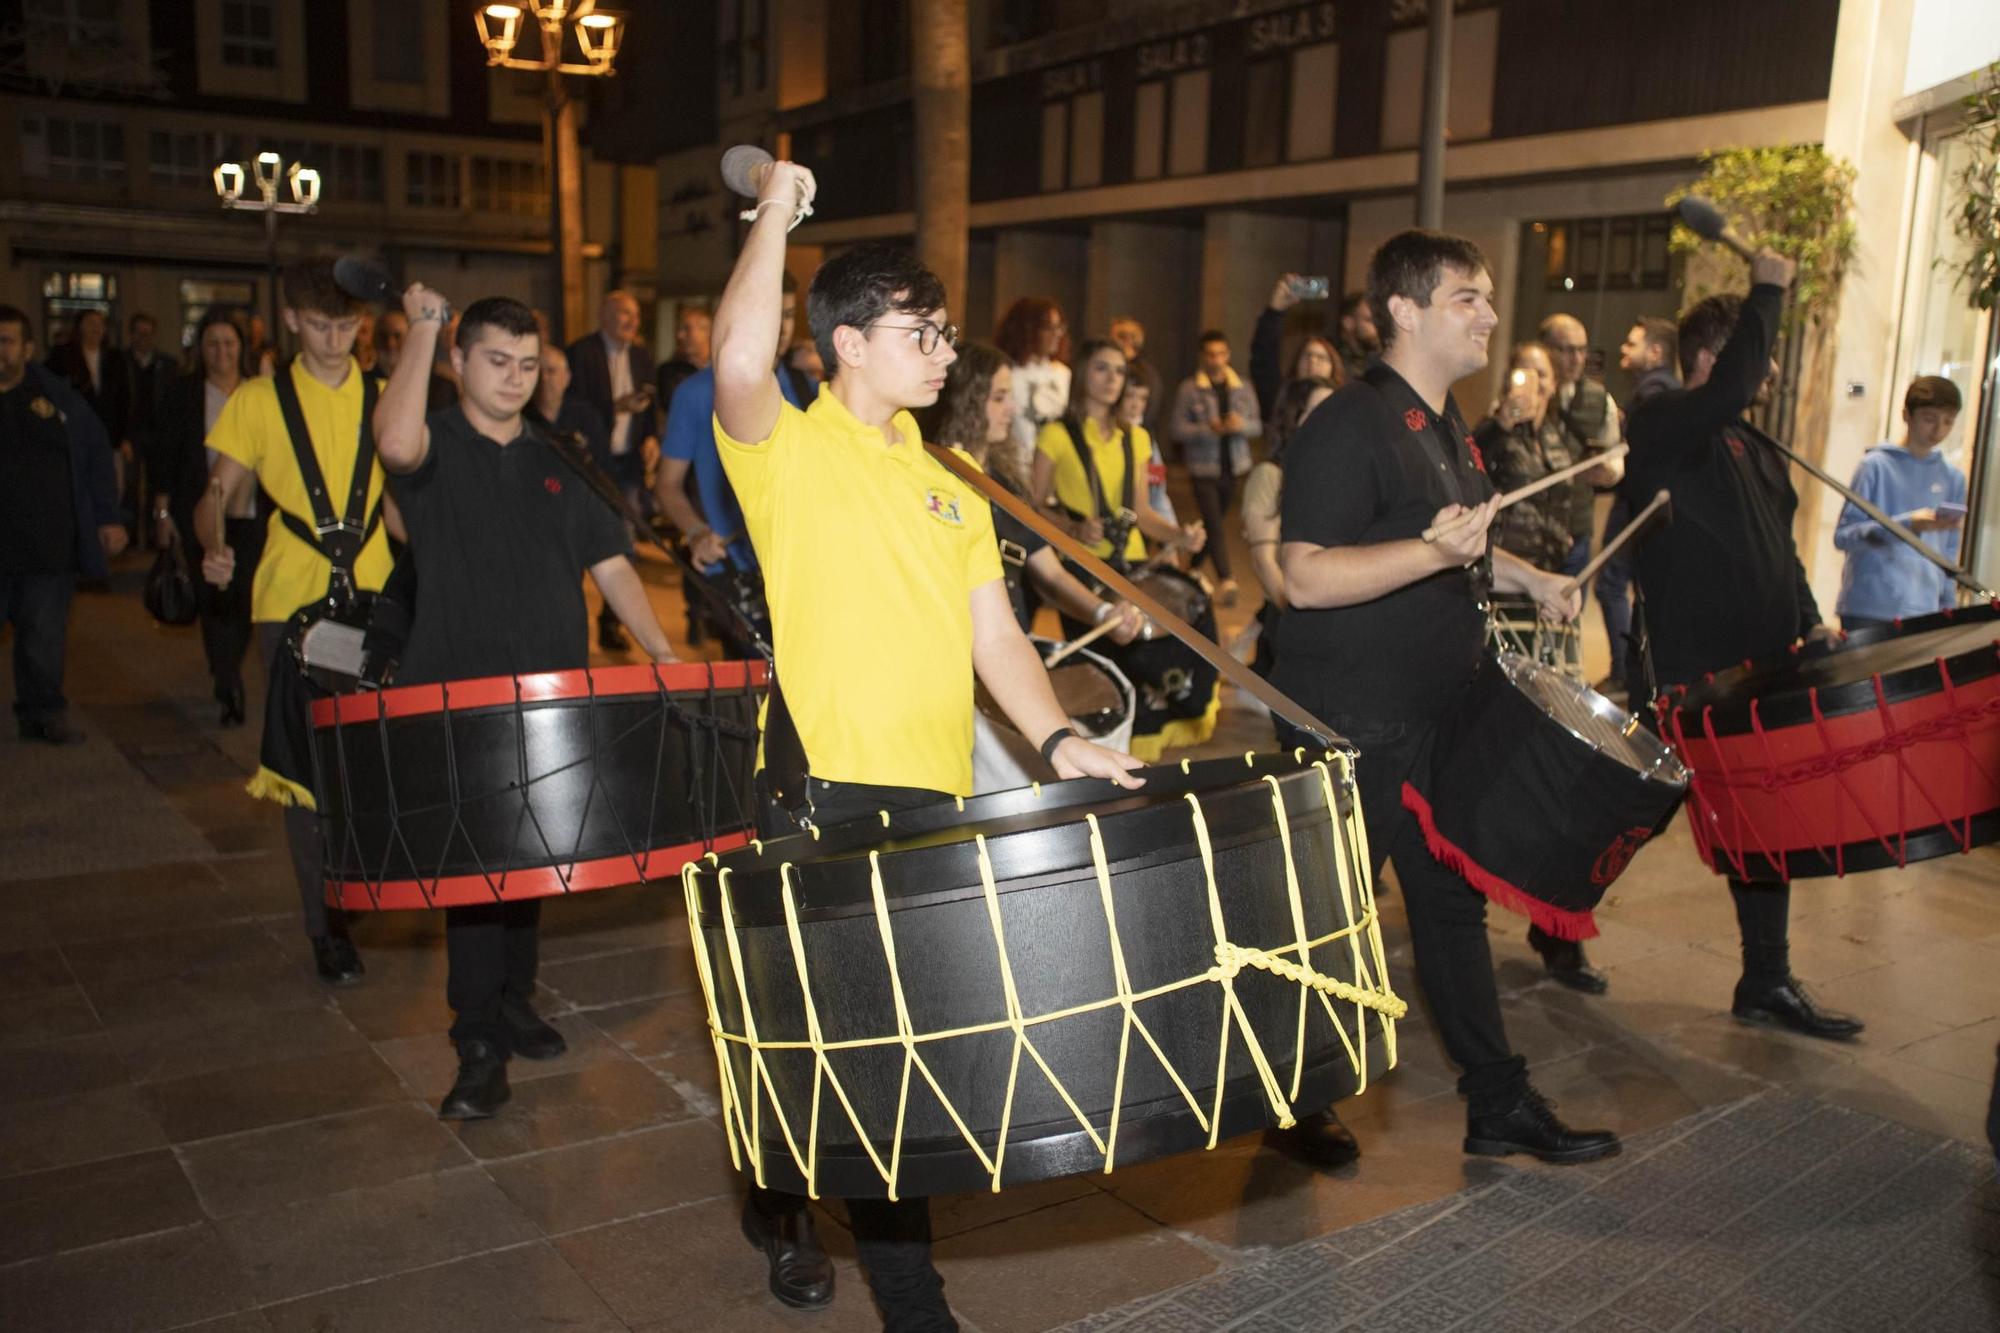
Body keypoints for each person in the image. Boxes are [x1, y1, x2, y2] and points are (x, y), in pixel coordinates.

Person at [713, 160, 1143, 1332]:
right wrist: (777, 214)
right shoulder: (787, 450)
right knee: (825, 1045)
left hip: (928, 796)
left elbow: (993, 636)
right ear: (848, 342)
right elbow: (739, 362)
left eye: (947, 332)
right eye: (922, 331)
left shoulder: (950, 484)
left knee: (891, 1051)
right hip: (820, 791)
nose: (945, 351)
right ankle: (850, 1254)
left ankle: (837, 1236)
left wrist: (1059, 738)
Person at [1275, 229, 1616, 1166]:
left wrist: (1528, 574)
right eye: (1469, 297)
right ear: (1405, 310)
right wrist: (1437, 553)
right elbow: (1302, 575)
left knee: (1452, 899)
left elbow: (1452, 535)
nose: (1491, 317)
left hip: (1434, 707)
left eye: (1488, 298)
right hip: (1349, 714)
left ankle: (1497, 1099)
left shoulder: (1448, 424)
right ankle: (1291, 1094)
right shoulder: (1348, 424)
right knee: (1330, 916)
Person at [373, 286, 678, 1120]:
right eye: (496, 362)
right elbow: (394, 439)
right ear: (459, 364)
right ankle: (475, 1040)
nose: (514, 378)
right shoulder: (432, 445)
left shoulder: (561, 458)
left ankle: (512, 998)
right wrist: (426, 324)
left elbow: (613, 564)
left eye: (527, 364)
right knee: (477, 873)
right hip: (453, 696)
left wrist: (662, 652)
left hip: (549, 698)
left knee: (531, 860)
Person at [1623, 251, 1864, 1041]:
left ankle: (1765, 977)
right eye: (1750, 361)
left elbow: (1778, 545)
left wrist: (1810, 615)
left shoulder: (1752, 445)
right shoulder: (1664, 424)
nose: (1759, 381)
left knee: (1766, 824)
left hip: (1758, 672)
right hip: (1689, 678)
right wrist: (1769, 288)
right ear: (1708, 359)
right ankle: (1555, 924)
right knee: (1630, 809)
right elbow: (1728, 388)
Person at [195, 258, 393, 989]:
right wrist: (214, 543)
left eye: (347, 324)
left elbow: (404, 506)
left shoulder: (382, 396)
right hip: (289, 603)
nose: (336, 339)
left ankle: (353, 882)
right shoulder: (257, 399)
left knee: (369, 762)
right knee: (305, 774)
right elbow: (217, 489)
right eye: (320, 324)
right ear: (289, 321)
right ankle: (324, 924)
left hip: (375, 600)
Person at [1472, 343, 1614, 993]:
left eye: (1545, 377)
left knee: (1568, 769)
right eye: (1524, 376)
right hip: (1498, 601)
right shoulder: (1486, 435)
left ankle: (1558, 933)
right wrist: (1497, 426)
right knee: (1493, 761)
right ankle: (1462, 902)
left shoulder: (1564, 434)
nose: (1533, 388)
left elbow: (1606, 477)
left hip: (1554, 602)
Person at [927, 341, 1144, 641]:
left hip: (1012, 641)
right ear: (967, 403)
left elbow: (1051, 573)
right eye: (999, 398)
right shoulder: (934, 482)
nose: (1012, 409)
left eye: (1011, 397)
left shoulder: (1005, 485)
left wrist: (1103, 613)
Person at [653, 273, 810, 656]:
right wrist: (695, 532)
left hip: (803, 570)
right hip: (737, 575)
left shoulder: (810, 388)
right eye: (773, 312)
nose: (783, 326)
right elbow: (667, 484)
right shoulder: (695, 393)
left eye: (789, 313)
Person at [0, 304, 125, 744]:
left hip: (46, 547)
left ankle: (43, 713)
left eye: (7, 341)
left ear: (28, 347)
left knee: (43, 639)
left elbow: (96, 455)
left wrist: (108, 517)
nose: (0, 351)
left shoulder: (58, 399)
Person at [152, 309, 259, 727]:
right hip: (202, 513)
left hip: (251, 514)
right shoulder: (184, 394)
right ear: (201, 349)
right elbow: (164, 454)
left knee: (247, 596)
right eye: (213, 343)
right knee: (214, 597)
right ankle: (229, 681)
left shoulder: (257, 392)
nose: (222, 352)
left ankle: (227, 664)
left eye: (229, 343)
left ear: (240, 348)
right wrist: (162, 511)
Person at [1833, 375, 1967, 631]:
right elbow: (1844, 536)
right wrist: (1907, 525)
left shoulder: (1953, 478)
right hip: (1869, 607)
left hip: (1925, 610)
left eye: (1948, 421)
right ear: (1907, 415)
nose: (1939, 430)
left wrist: (1947, 608)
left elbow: (1949, 551)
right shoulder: (1874, 466)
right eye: (1929, 419)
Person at [566, 290, 658, 652]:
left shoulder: (641, 356)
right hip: (591, 464)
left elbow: (649, 408)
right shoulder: (581, 353)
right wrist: (615, 406)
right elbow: (573, 407)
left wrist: (650, 437)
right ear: (603, 314)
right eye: (623, 313)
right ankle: (572, 614)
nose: (631, 321)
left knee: (624, 544)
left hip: (629, 464)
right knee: (578, 541)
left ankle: (611, 622)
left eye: (634, 315)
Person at [1597, 317, 1680, 696]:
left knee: (1611, 582)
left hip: (1637, 503)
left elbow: (1641, 454)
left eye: (1633, 344)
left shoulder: (1653, 392)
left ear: (1657, 351)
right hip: (1648, 503)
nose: (1624, 351)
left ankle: (1624, 671)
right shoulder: (1665, 392)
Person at [1241, 374, 1336, 680]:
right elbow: (1263, 560)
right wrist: (1299, 619)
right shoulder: (1270, 475)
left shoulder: (1336, 477)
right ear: (1295, 417)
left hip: (1330, 617)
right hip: (1289, 618)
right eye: (1320, 409)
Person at [1170, 330, 1261, 606]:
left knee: (1214, 525)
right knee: (1214, 523)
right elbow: (1176, 429)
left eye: (1221, 353)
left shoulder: (1242, 387)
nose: (1216, 360)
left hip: (1232, 468)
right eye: (1210, 354)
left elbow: (1257, 425)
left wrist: (1239, 425)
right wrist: (1206, 429)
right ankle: (1227, 578)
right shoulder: (1189, 389)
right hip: (1202, 469)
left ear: (1228, 355)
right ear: (1202, 356)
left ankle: (1190, 568)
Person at [1538, 314, 1624, 591]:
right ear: (1545, 349)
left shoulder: (1600, 400)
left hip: (1577, 526)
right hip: (1532, 529)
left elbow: (1614, 457)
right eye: (1567, 350)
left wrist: (1607, 474)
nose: (1576, 358)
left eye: (1581, 349)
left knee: (1569, 620)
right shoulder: (1528, 395)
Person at [1249, 273, 1344, 425]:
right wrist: (1275, 311)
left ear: (1333, 368)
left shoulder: (1344, 404)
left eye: (1321, 358)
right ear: (1296, 364)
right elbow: (1264, 359)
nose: (1313, 361)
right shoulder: (1281, 399)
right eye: (1307, 356)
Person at [994, 296, 1069, 473]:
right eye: (1048, 328)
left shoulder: (1063, 374)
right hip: (1016, 470)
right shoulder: (1007, 374)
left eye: (1059, 327)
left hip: (1056, 472)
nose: (1056, 334)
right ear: (1028, 330)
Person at [1108, 315, 1166, 441]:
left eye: (1114, 337)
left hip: (1135, 436)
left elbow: (1150, 412)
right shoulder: (1109, 369)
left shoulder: (1148, 374)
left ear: (1127, 339)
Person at [655, 304, 713, 412]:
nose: (680, 335)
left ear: (707, 331)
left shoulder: (724, 370)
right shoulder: (669, 372)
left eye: (686, 329)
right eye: (679, 329)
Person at [1334, 291, 1380, 381]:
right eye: (1370, 320)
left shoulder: (1383, 360)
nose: (1377, 327)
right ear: (1348, 323)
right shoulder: (1332, 362)